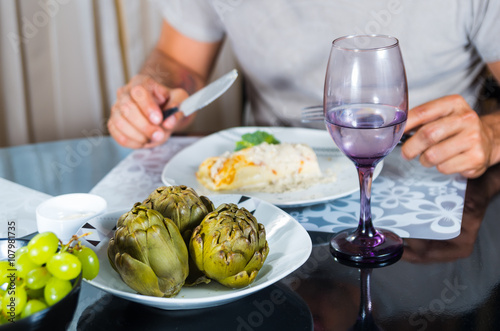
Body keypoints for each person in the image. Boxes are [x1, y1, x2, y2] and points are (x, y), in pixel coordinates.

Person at [107, 0, 500, 178]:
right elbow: (178, 63)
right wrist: (156, 89)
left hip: (425, 183)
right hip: (265, 183)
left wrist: (491, 134)